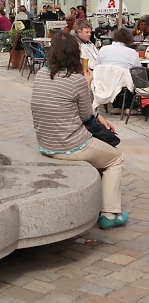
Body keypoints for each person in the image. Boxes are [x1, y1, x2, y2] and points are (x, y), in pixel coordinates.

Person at [30, 31, 127, 230]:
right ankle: (110, 214)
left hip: (46, 143)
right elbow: (85, 116)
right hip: (71, 145)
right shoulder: (76, 80)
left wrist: (98, 115)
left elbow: (76, 110)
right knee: (116, 158)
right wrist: (88, 84)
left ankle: (98, 200)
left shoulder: (41, 74)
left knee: (103, 154)